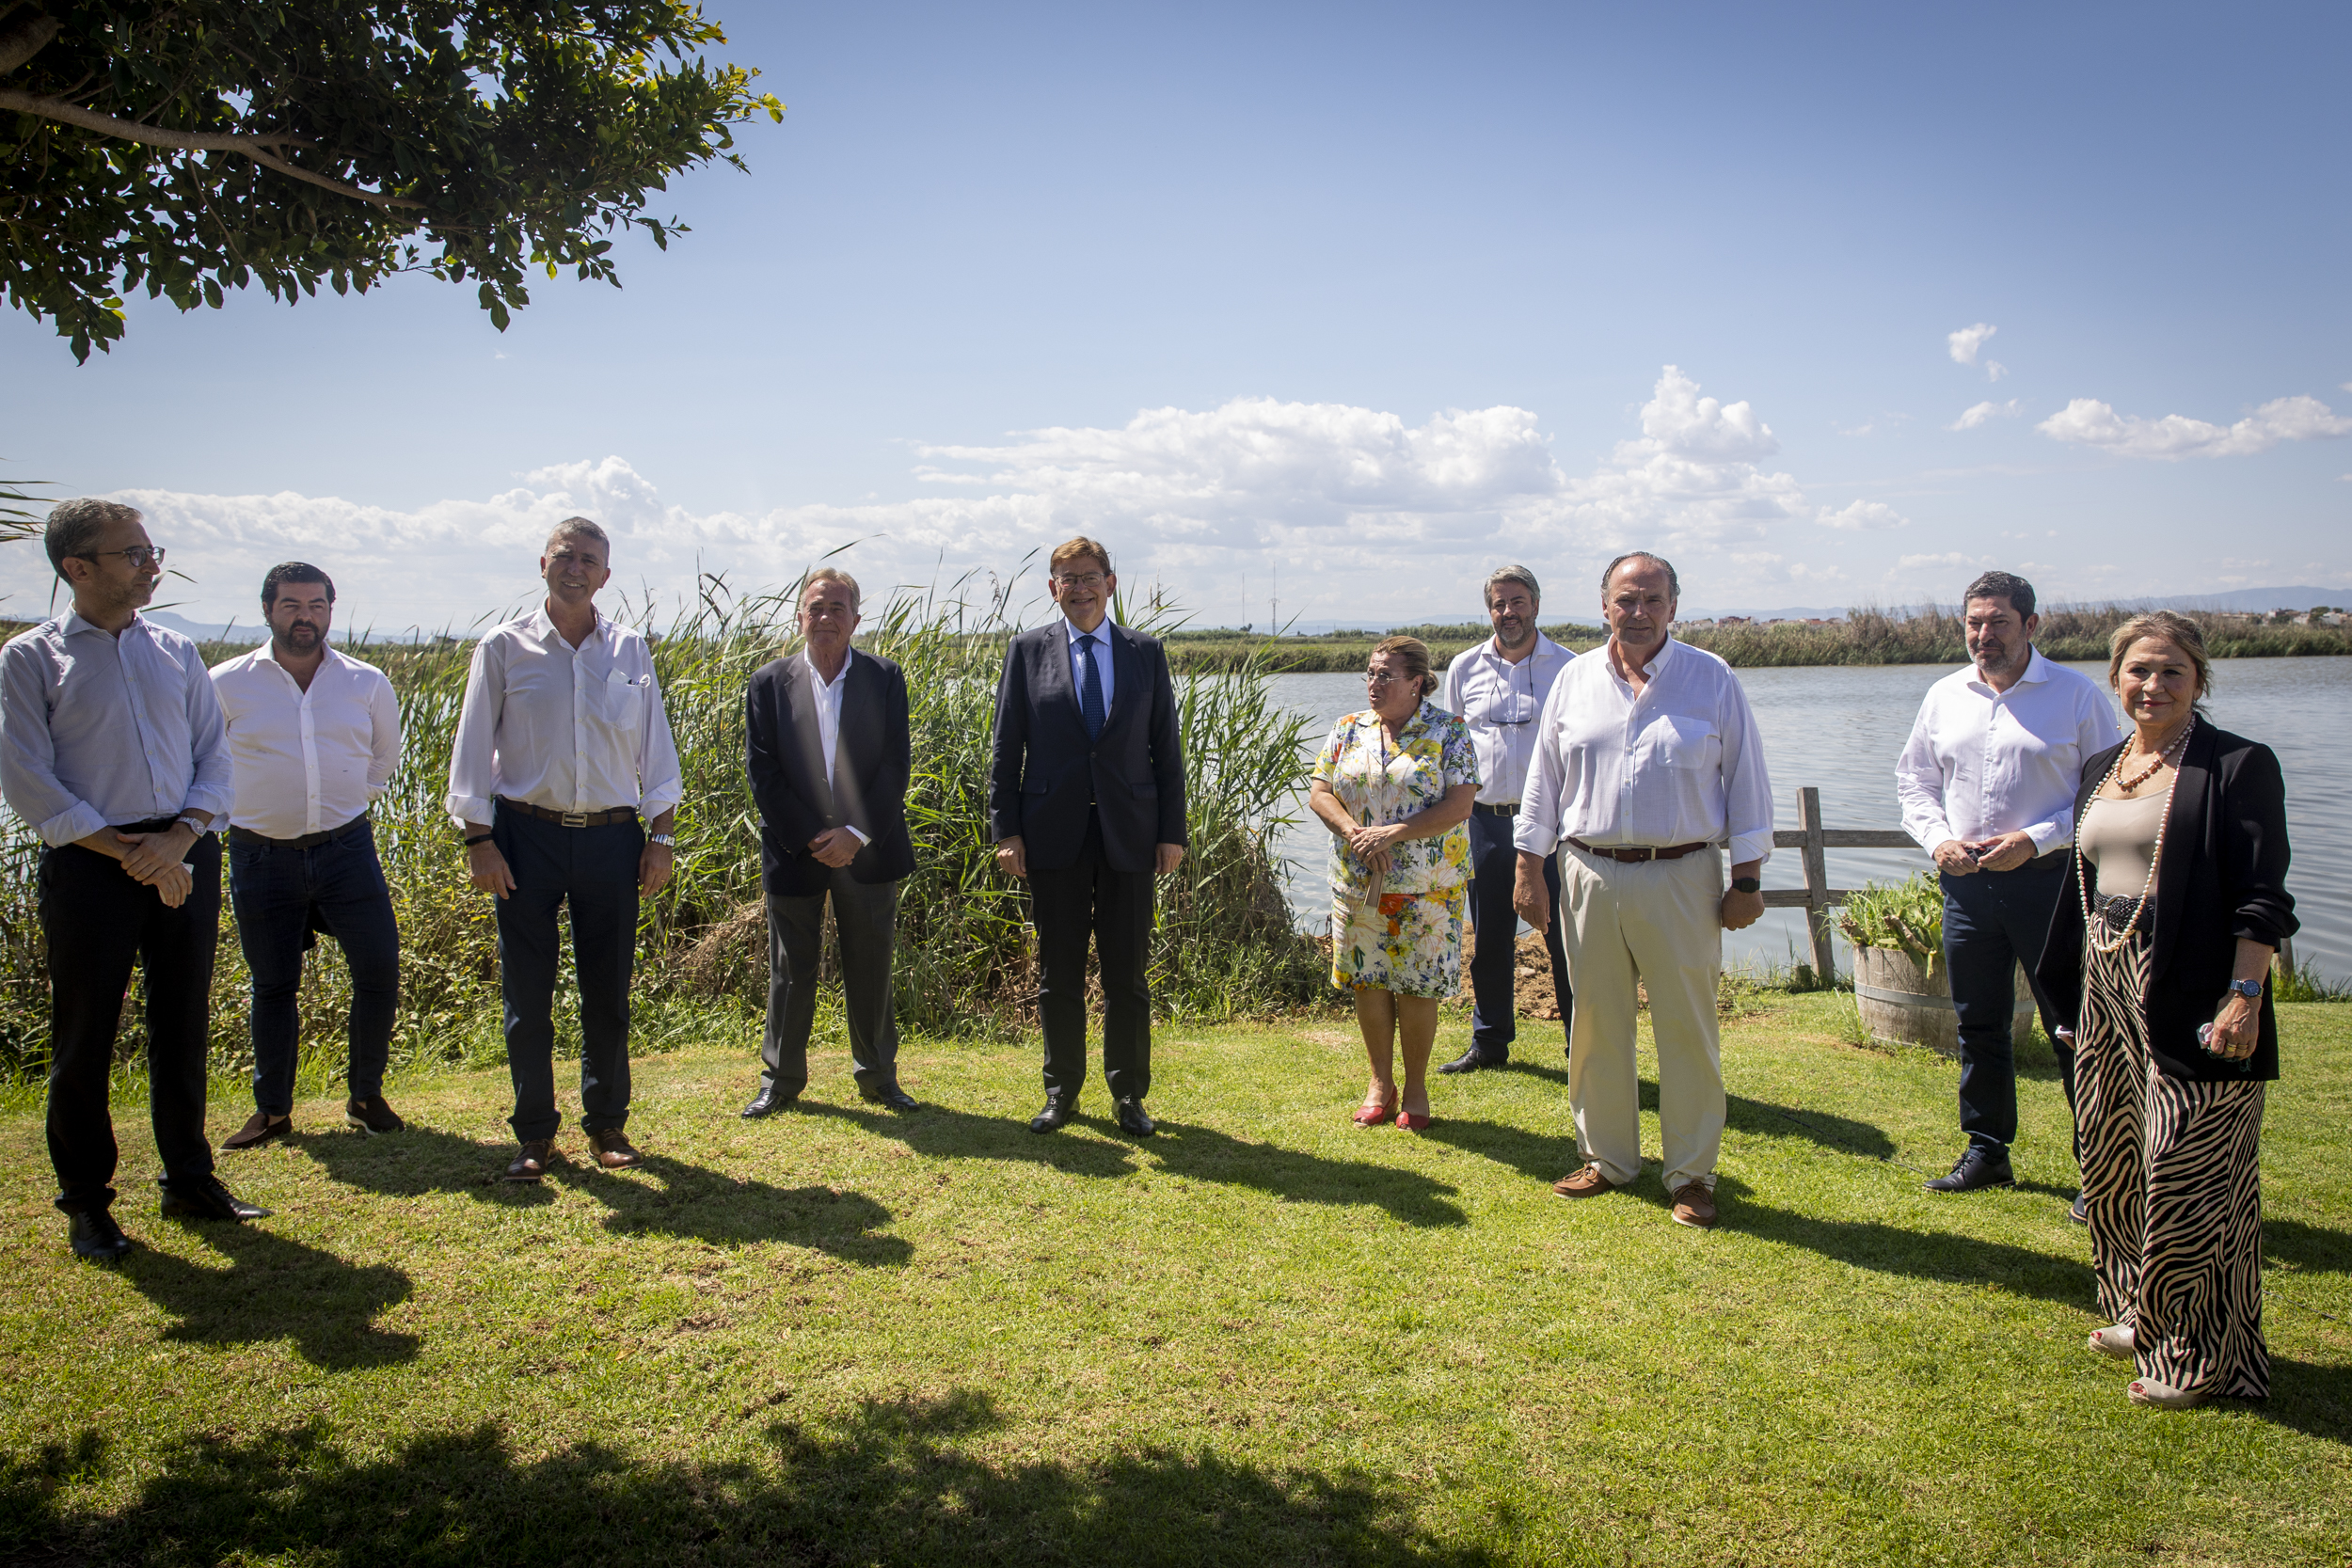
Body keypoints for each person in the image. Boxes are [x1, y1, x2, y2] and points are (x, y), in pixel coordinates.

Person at [2037, 611, 2294, 1409]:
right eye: (2138, 671)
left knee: (2189, 1170)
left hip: (2192, 986)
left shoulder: (2237, 765)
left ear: (2198, 678)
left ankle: (2202, 1356)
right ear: (2116, 678)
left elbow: (2262, 896)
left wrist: (2244, 994)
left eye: (2170, 671)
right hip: (2107, 981)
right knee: (2111, 1156)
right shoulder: (2105, 766)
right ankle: (2133, 1308)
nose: (2152, 685)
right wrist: (2077, 992)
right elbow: (2086, 885)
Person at [0, 499, 265, 1261]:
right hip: (92, 864)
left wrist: (179, 839)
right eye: (132, 554)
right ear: (77, 568)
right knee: (85, 1035)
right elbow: (28, 780)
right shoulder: (31, 659)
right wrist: (131, 854)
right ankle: (87, 1203)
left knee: (182, 1023)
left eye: (152, 550)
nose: (152, 565)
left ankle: (190, 1178)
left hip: (184, 853)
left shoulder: (176, 650)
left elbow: (215, 755)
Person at [1513, 552, 1772, 1230]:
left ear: (1673, 606)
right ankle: (1608, 1158)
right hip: (1588, 870)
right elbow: (1543, 784)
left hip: (1682, 873)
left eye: (1652, 599)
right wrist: (1527, 866)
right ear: (1604, 606)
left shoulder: (1710, 679)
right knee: (1595, 1023)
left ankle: (1690, 1174)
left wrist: (1747, 879)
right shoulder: (1573, 680)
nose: (1639, 611)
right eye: (1626, 599)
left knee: (1687, 1027)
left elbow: (1746, 784)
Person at [446, 517, 683, 1181]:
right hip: (524, 839)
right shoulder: (503, 647)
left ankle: (608, 1124)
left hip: (613, 839)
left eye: (590, 560)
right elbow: (469, 755)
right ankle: (533, 1135)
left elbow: (656, 757)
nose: (576, 567)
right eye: (565, 555)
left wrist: (660, 838)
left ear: (606, 575)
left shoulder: (630, 650)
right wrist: (479, 841)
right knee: (528, 995)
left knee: (607, 992)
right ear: (542, 563)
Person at [1896, 571, 2122, 1202]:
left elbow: (2107, 791)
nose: (1982, 634)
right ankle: (1987, 1150)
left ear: (2031, 625)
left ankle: (2102, 1170)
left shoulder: (2076, 697)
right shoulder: (1944, 695)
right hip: (1966, 886)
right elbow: (1914, 781)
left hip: (2052, 886)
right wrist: (1937, 837)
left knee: (2074, 1026)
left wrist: (2037, 838)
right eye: (1973, 622)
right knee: (1979, 1024)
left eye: (1996, 621)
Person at [988, 537, 1187, 1137]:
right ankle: (1061, 1093)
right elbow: (1005, 751)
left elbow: (1165, 752)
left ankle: (1129, 1096)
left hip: (1131, 835)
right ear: (1052, 588)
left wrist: (1171, 832)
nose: (1079, 587)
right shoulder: (1027, 652)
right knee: (1060, 971)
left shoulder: (1145, 653)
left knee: (1127, 972)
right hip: (1052, 837)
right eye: (1067, 578)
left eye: (1089, 576)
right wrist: (1007, 831)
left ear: (1112, 581)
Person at [210, 562, 405, 1148]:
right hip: (259, 854)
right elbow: (205, 767)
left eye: (317, 604)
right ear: (268, 608)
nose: (306, 616)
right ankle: (272, 1110)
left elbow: (382, 759)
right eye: (293, 605)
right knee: (273, 984)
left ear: (331, 608)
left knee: (377, 969)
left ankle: (365, 1096)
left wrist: (345, 802)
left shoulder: (365, 682)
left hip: (347, 848)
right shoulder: (224, 683)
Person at [740, 569, 918, 1117]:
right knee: (790, 970)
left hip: (868, 850)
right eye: (816, 608)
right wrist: (813, 837)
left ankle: (878, 1077)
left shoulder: (884, 678)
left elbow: (894, 765)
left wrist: (856, 834)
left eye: (837, 609)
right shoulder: (767, 683)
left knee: (871, 965)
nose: (825, 618)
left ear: (856, 620)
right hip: (796, 851)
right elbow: (762, 772)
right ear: (800, 616)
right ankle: (782, 1079)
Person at [1310, 637, 1477, 1130]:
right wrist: (1354, 833)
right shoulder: (1347, 729)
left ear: (1418, 683)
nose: (1373, 684)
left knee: (1418, 988)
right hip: (1358, 881)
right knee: (1368, 981)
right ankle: (1380, 1083)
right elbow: (1320, 791)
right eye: (1369, 673)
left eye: (1385, 675)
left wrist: (1397, 831)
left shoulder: (1449, 731)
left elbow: (1460, 804)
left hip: (1428, 884)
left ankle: (1418, 1088)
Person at [1438, 564, 1576, 1074]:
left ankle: (1580, 1046)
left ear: (1535, 605)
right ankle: (1490, 1041)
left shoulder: (1570, 667)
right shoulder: (1463, 668)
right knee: (1489, 938)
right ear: (1488, 608)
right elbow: (1452, 747)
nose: (1507, 612)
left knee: (1566, 939)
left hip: (1555, 826)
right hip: (1486, 821)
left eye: (1517, 602)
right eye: (1498, 603)